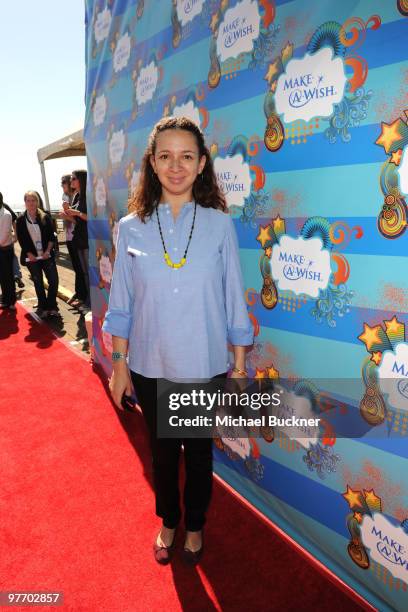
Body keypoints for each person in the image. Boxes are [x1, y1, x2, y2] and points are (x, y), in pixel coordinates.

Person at [103, 117, 253, 565]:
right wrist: (119, 364)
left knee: (200, 455)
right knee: (164, 455)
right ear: (151, 163)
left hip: (204, 365)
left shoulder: (220, 226)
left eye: (186, 156)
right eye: (165, 156)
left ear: (202, 163)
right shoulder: (129, 228)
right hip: (149, 366)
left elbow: (233, 300)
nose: (176, 165)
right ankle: (169, 519)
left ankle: (195, 525)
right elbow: (122, 304)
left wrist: (240, 367)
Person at [16, 191, 59, 319]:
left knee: (53, 280)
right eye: (28, 201)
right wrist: (29, 253)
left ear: (37, 202)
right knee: (38, 282)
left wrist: (47, 251)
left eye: (33, 200)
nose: (31, 203)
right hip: (32, 257)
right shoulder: (21, 220)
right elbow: (22, 239)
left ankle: (52, 305)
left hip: (46, 255)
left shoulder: (45, 217)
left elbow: (52, 237)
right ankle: (44, 306)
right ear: (25, 203)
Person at [58, 175, 87, 306]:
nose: (63, 186)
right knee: (78, 268)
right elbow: (75, 218)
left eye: (63, 184)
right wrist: (67, 213)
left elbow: (79, 220)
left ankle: (83, 296)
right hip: (72, 237)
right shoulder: (73, 197)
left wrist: (68, 214)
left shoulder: (80, 197)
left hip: (79, 238)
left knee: (82, 269)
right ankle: (80, 294)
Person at [65, 170, 90, 310]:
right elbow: (76, 220)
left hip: (87, 239)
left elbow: (92, 217)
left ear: (81, 180)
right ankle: (87, 301)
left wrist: (77, 213)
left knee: (89, 273)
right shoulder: (76, 196)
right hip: (78, 238)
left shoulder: (88, 196)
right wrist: (67, 215)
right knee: (84, 272)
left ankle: (91, 303)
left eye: (73, 178)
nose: (71, 181)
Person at [0, 193, 24, 288]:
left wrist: (16, 235)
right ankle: (15, 276)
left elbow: (14, 220)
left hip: (6, 238)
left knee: (11, 257)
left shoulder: (4, 206)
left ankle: (16, 276)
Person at [0, 194, 17, 310]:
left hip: (5, 249)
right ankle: (6, 299)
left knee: (8, 276)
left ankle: (11, 300)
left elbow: (4, 236)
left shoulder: (6, 214)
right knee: (2, 277)